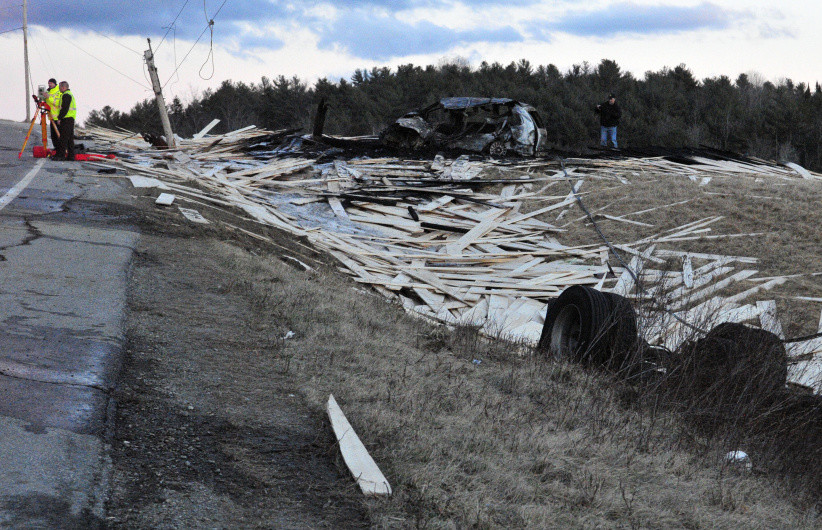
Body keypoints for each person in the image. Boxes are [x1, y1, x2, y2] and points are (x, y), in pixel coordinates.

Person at [54, 81, 76, 161]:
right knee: (70, 138)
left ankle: (61, 155)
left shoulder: (66, 95)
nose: (59, 89)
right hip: (70, 118)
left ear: (63, 87)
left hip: (66, 119)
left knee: (63, 138)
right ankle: (71, 156)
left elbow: (64, 108)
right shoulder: (69, 94)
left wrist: (59, 118)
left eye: (60, 87)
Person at [44, 78, 62, 155]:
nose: (49, 85)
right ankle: (56, 148)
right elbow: (47, 102)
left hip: (58, 116)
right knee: (53, 135)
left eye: (51, 83)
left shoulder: (59, 91)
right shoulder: (48, 91)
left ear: (55, 83)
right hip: (51, 116)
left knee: (59, 134)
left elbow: (57, 103)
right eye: (49, 83)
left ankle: (61, 149)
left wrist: (49, 97)